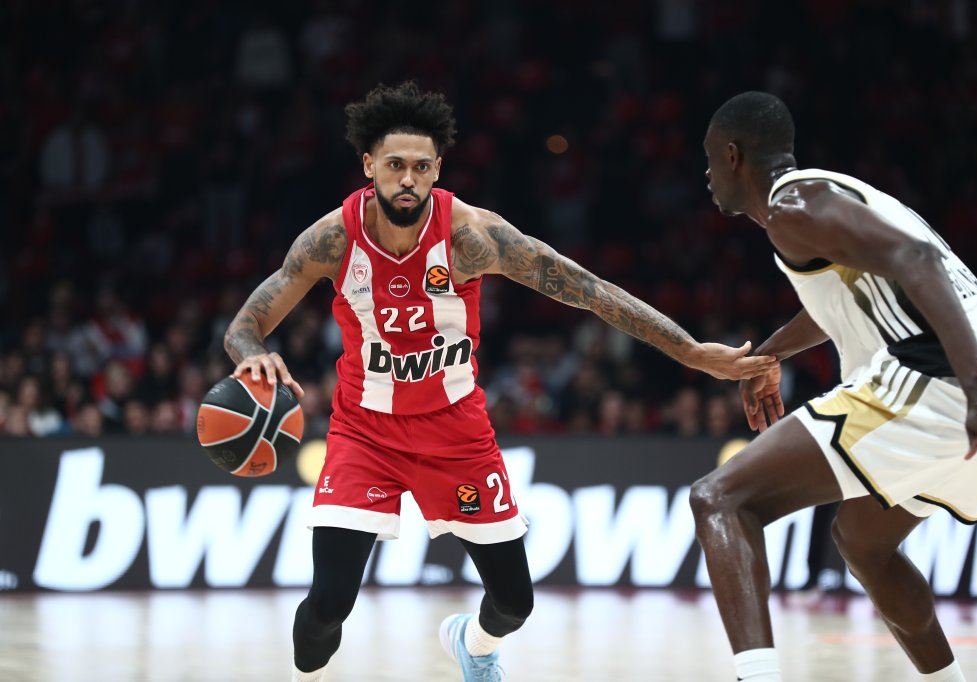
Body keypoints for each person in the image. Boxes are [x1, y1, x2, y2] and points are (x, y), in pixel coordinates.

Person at [222, 82, 776, 682]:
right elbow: (245, 326)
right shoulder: (332, 239)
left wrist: (690, 351)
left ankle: (472, 644)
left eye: (421, 167)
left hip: (456, 432)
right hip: (365, 433)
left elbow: (589, 290)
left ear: (438, 169)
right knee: (327, 611)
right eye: (395, 165)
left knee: (514, 603)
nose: (408, 179)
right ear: (368, 166)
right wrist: (254, 355)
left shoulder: (471, 236)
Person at [690, 91, 977, 682]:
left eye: (710, 158)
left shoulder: (796, 204)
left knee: (720, 498)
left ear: (734, 156)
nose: (707, 174)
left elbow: (918, 259)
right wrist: (769, 354)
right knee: (863, 542)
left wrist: (974, 387)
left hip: (948, 379)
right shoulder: (826, 202)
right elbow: (839, 305)